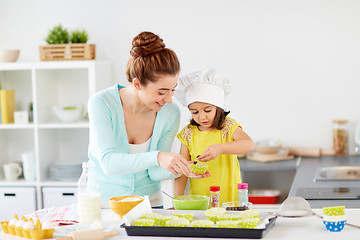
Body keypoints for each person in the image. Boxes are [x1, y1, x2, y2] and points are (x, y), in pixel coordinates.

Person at [87, 31, 204, 208]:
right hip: (105, 206)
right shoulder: (102, 103)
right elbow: (109, 164)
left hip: (149, 206)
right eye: (162, 92)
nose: (170, 99)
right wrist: (158, 157)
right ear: (137, 84)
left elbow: (155, 172)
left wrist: (184, 167)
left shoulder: (170, 112)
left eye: (173, 90)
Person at [174, 68, 255, 205]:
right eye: (194, 112)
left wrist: (221, 148)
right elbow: (182, 171)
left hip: (229, 201)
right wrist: (177, 201)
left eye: (207, 110)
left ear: (218, 108)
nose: (201, 116)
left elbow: (249, 145)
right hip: (199, 202)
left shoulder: (228, 126)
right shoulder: (188, 133)